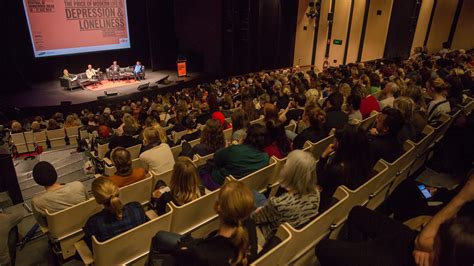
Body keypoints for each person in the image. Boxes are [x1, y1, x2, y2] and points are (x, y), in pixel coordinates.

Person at [315, 172, 474, 266]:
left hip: (431, 213)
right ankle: (360, 252)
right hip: (437, 201)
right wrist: (438, 192)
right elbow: (423, 241)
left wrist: (462, 197)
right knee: (358, 211)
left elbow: (423, 240)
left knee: (323, 247)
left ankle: (360, 254)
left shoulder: (462, 238)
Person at [150, 181, 255, 265]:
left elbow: (181, 255)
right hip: (200, 246)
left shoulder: (201, 255)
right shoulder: (249, 225)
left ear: (217, 207)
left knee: (160, 236)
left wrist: (184, 249)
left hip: (192, 252)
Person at [251, 150, 320, 240]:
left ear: (290, 174)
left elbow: (254, 219)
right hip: (293, 233)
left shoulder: (279, 204)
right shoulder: (315, 193)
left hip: (268, 235)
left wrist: (259, 211)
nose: (283, 166)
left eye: (286, 164)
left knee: (251, 194)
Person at [317, 125, 373, 209]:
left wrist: (323, 157)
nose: (334, 141)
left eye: (336, 139)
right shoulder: (363, 161)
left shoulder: (337, 170)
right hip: (346, 204)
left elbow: (318, 179)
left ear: (341, 144)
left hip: (326, 203)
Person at [83, 177, 148, 247]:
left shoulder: (94, 223)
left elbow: (90, 244)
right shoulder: (136, 208)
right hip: (138, 249)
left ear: (97, 199)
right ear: (117, 190)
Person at [205, 124, 269, 190]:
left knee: (202, 169)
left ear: (248, 136)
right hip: (245, 187)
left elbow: (216, 158)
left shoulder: (234, 150)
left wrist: (228, 148)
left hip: (222, 185)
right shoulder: (265, 157)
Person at [31, 161, 89, 227]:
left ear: (37, 180)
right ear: (55, 173)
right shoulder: (78, 186)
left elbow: (44, 225)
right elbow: (88, 203)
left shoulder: (37, 202)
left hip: (61, 235)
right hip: (86, 226)